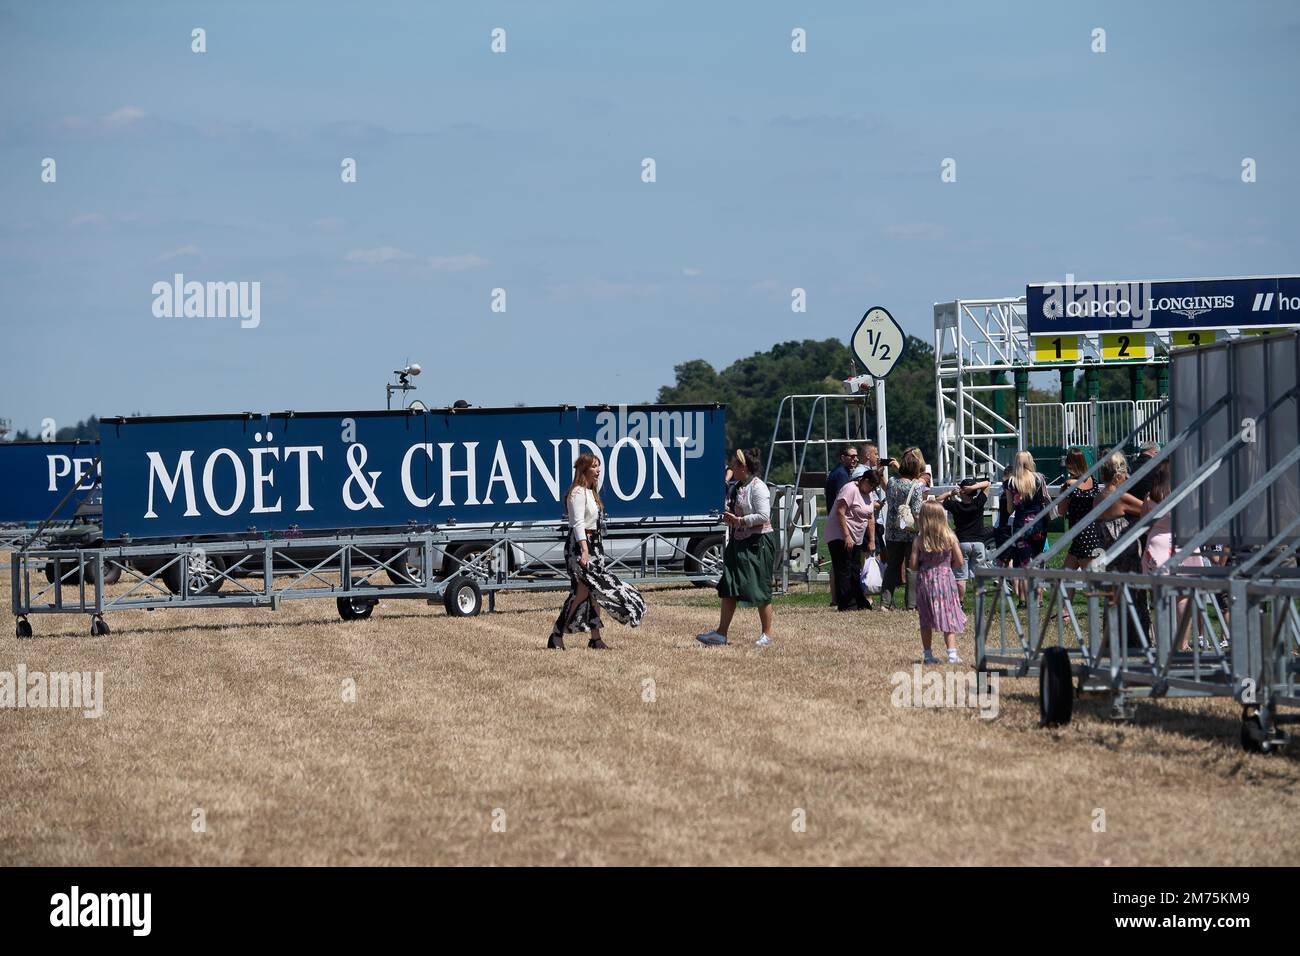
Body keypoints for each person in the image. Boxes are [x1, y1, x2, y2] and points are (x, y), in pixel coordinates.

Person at [547, 453, 647, 650]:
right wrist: (584, 550)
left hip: (595, 546)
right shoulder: (576, 492)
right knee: (581, 591)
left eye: (599, 466)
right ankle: (556, 634)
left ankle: (595, 638)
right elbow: (577, 524)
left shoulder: (591, 492)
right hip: (580, 546)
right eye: (594, 467)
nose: (598, 470)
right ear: (584, 470)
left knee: (595, 592)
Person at [697, 448, 777, 647]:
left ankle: (767, 634)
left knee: (760, 588)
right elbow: (732, 510)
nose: (731, 467)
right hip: (738, 542)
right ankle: (721, 634)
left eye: (735, 464)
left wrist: (739, 520)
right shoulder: (736, 487)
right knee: (729, 586)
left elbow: (764, 516)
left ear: (744, 467)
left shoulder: (759, 487)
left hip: (758, 544)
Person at [1141, 459, 1206, 651]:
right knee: (1184, 596)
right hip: (1184, 543)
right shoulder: (1186, 495)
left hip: (1157, 545)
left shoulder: (1150, 496)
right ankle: (1183, 642)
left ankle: (1163, 641)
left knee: (1158, 596)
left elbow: (1143, 522)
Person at [910, 501, 968, 664]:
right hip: (945, 581)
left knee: (925, 618)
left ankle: (928, 655)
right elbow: (959, 561)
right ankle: (952, 654)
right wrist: (947, 567)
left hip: (925, 581)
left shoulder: (919, 540)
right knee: (948, 616)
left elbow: (913, 566)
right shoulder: (950, 537)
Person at [880, 447, 927, 611]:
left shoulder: (892, 483)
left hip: (892, 532)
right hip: (910, 533)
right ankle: (911, 604)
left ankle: (885, 602)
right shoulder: (915, 487)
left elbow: (882, 483)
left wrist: (881, 467)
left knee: (892, 567)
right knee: (911, 568)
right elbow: (916, 512)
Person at [824, 465, 877, 611]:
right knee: (843, 569)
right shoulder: (850, 489)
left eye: (874, 487)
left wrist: (872, 540)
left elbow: (870, 517)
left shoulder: (869, 494)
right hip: (839, 534)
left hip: (856, 537)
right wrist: (846, 536)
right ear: (863, 480)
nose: (871, 489)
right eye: (870, 485)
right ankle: (846, 604)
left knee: (855, 569)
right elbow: (840, 512)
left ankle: (859, 601)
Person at [934, 477, 990, 600]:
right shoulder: (978, 503)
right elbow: (987, 484)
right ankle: (979, 600)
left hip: (962, 542)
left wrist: (950, 493)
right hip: (979, 542)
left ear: (962, 491)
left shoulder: (955, 505)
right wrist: (973, 487)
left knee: (960, 576)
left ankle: (961, 602)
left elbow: (937, 501)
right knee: (978, 574)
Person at [1005, 451, 1049, 605]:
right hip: (1038, 524)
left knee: (1024, 563)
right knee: (1037, 561)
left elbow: (1010, 510)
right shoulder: (1039, 479)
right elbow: (1044, 500)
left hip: (1020, 526)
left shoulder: (1011, 483)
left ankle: (1024, 600)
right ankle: (1039, 598)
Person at [1056, 447, 1102, 571]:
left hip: (1081, 535)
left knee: (1092, 582)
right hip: (1093, 532)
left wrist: (1062, 493)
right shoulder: (1094, 482)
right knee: (1066, 578)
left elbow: (1060, 511)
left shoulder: (1070, 485)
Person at [823, 445, 858, 605]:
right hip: (839, 525)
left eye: (856, 456)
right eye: (851, 456)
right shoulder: (841, 475)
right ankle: (843, 599)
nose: (855, 459)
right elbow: (843, 501)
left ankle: (837, 598)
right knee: (844, 566)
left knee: (838, 565)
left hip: (835, 523)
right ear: (842, 457)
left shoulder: (838, 473)